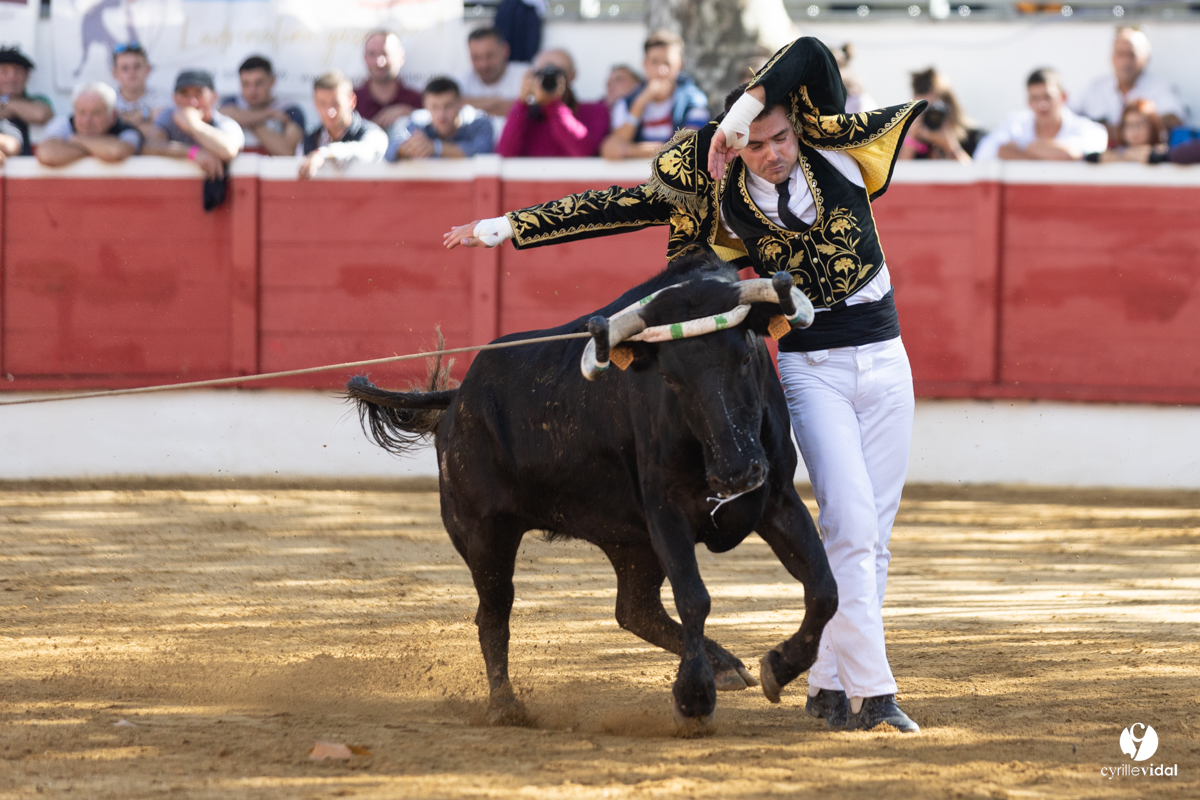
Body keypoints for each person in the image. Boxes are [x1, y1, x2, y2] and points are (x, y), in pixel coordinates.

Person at [443, 36, 927, 734]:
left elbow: (815, 54)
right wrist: (509, 227)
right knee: (849, 528)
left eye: (779, 137)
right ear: (737, 154)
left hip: (888, 358)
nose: (773, 152)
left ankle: (827, 683)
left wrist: (747, 109)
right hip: (812, 368)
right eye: (755, 145)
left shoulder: (837, 154)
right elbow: (617, 203)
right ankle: (875, 695)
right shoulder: (722, 200)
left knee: (872, 537)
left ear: (795, 127)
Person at [600, 30, 709, 160]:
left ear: (680, 65)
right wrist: (640, 104)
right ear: (645, 64)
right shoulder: (627, 102)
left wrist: (628, 150)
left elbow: (687, 147)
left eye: (667, 63)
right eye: (655, 62)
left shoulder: (695, 102)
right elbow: (610, 149)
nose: (661, 70)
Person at [1073, 27, 1185, 142]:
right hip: (1101, 157)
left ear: (1146, 58)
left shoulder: (1160, 87)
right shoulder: (1095, 87)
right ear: (1112, 58)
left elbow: (1175, 118)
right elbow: (1068, 115)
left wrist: (1130, 129)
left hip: (1144, 157)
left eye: (1132, 55)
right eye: (1120, 54)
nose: (1125, 62)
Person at [495, 48, 609, 158]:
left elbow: (584, 152)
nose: (549, 79)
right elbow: (504, 154)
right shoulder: (527, 117)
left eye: (557, 72)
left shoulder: (596, 111)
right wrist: (522, 103)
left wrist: (553, 106)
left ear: (572, 75)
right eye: (542, 73)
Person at [973, 69, 1107, 162]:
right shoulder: (1014, 123)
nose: (1041, 104)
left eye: (1048, 97)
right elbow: (989, 151)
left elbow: (1071, 154)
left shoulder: (1089, 129)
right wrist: (1049, 156)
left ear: (1063, 97)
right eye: (1034, 98)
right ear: (1028, 102)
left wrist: (1020, 147)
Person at [145, 70, 244, 180]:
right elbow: (150, 146)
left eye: (198, 94)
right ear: (175, 98)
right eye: (185, 94)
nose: (192, 102)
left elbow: (228, 150)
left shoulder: (224, 123)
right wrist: (192, 152)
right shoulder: (169, 116)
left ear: (213, 97)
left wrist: (193, 124)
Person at [299, 71, 388, 180]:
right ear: (315, 104)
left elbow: (364, 152)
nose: (330, 111)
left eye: (336, 103)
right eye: (323, 103)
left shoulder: (373, 134)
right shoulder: (309, 139)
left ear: (352, 101)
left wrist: (324, 153)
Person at [36, 82, 143, 167]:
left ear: (113, 116)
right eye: (82, 112)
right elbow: (47, 155)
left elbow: (116, 152)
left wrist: (78, 140)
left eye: (96, 113)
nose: (87, 121)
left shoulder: (128, 130)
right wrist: (98, 150)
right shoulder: (63, 124)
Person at [387, 77, 493, 161]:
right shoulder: (418, 124)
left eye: (448, 106)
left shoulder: (480, 123)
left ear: (461, 104)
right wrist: (408, 148)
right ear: (425, 106)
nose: (441, 114)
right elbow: (389, 152)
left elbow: (481, 153)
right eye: (434, 107)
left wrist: (435, 147)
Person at [219, 55, 306, 156]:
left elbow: (287, 151)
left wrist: (248, 120)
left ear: (272, 81)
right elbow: (220, 115)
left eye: (258, 83)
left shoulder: (290, 109)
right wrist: (268, 114)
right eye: (246, 84)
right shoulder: (231, 102)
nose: (252, 90)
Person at [899, 68, 983, 163]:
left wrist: (950, 146)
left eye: (932, 110)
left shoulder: (973, 137)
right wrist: (911, 140)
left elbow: (974, 175)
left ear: (950, 108)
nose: (929, 117)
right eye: (920, 110)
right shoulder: (912, 142)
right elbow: (896, 175)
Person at [354, 30, 423, 130]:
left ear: (401, 57)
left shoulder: (418, 101)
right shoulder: (350, 102)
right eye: (372, 54)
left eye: (386, 54)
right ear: (365, 58)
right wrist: (373, 127)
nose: (379, 62)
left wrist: (412, 115)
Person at [459, 27, 529, 118]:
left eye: (489, 56)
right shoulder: (462, 80)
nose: (483, 64)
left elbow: (532, 111)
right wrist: (499, 102)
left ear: (505, 50)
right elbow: (449, 106)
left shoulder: (525, 75)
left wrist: (469, 104)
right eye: (476, 58)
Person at [0, 47, 54, 156]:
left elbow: (41, 114)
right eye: (4, 71)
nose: (12, 78)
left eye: (17, 71)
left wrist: (6, 104)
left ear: (27, 75)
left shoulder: (38, 100)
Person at [110, 43, 167, 140]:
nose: (132, 72)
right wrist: (146, 115)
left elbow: (161, 132)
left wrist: (119, 122)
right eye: (125, 68)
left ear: (148, 69)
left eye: (137, 66)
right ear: (115, 73)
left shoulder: (161, 96)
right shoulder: (106, 98)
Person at [1087, 99, 1169, 164]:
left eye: (1140, 124)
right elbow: (1092, 157)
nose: (1134, 131)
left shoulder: (1162, 151)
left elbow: (1154, 158)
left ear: (1152, 125)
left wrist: (1122, 155)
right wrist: (1128, 154)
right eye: (1129, 125)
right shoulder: (1118, 149)